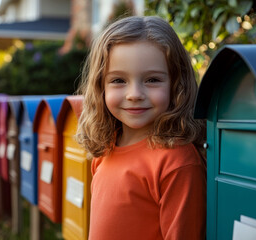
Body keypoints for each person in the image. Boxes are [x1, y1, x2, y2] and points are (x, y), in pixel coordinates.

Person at [76, 16, 206, 240]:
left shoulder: (177, 162)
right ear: (100, 86)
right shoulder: (104, 152)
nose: (134, 94)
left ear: (177, 84)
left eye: (152, 80)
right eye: (118, 80)